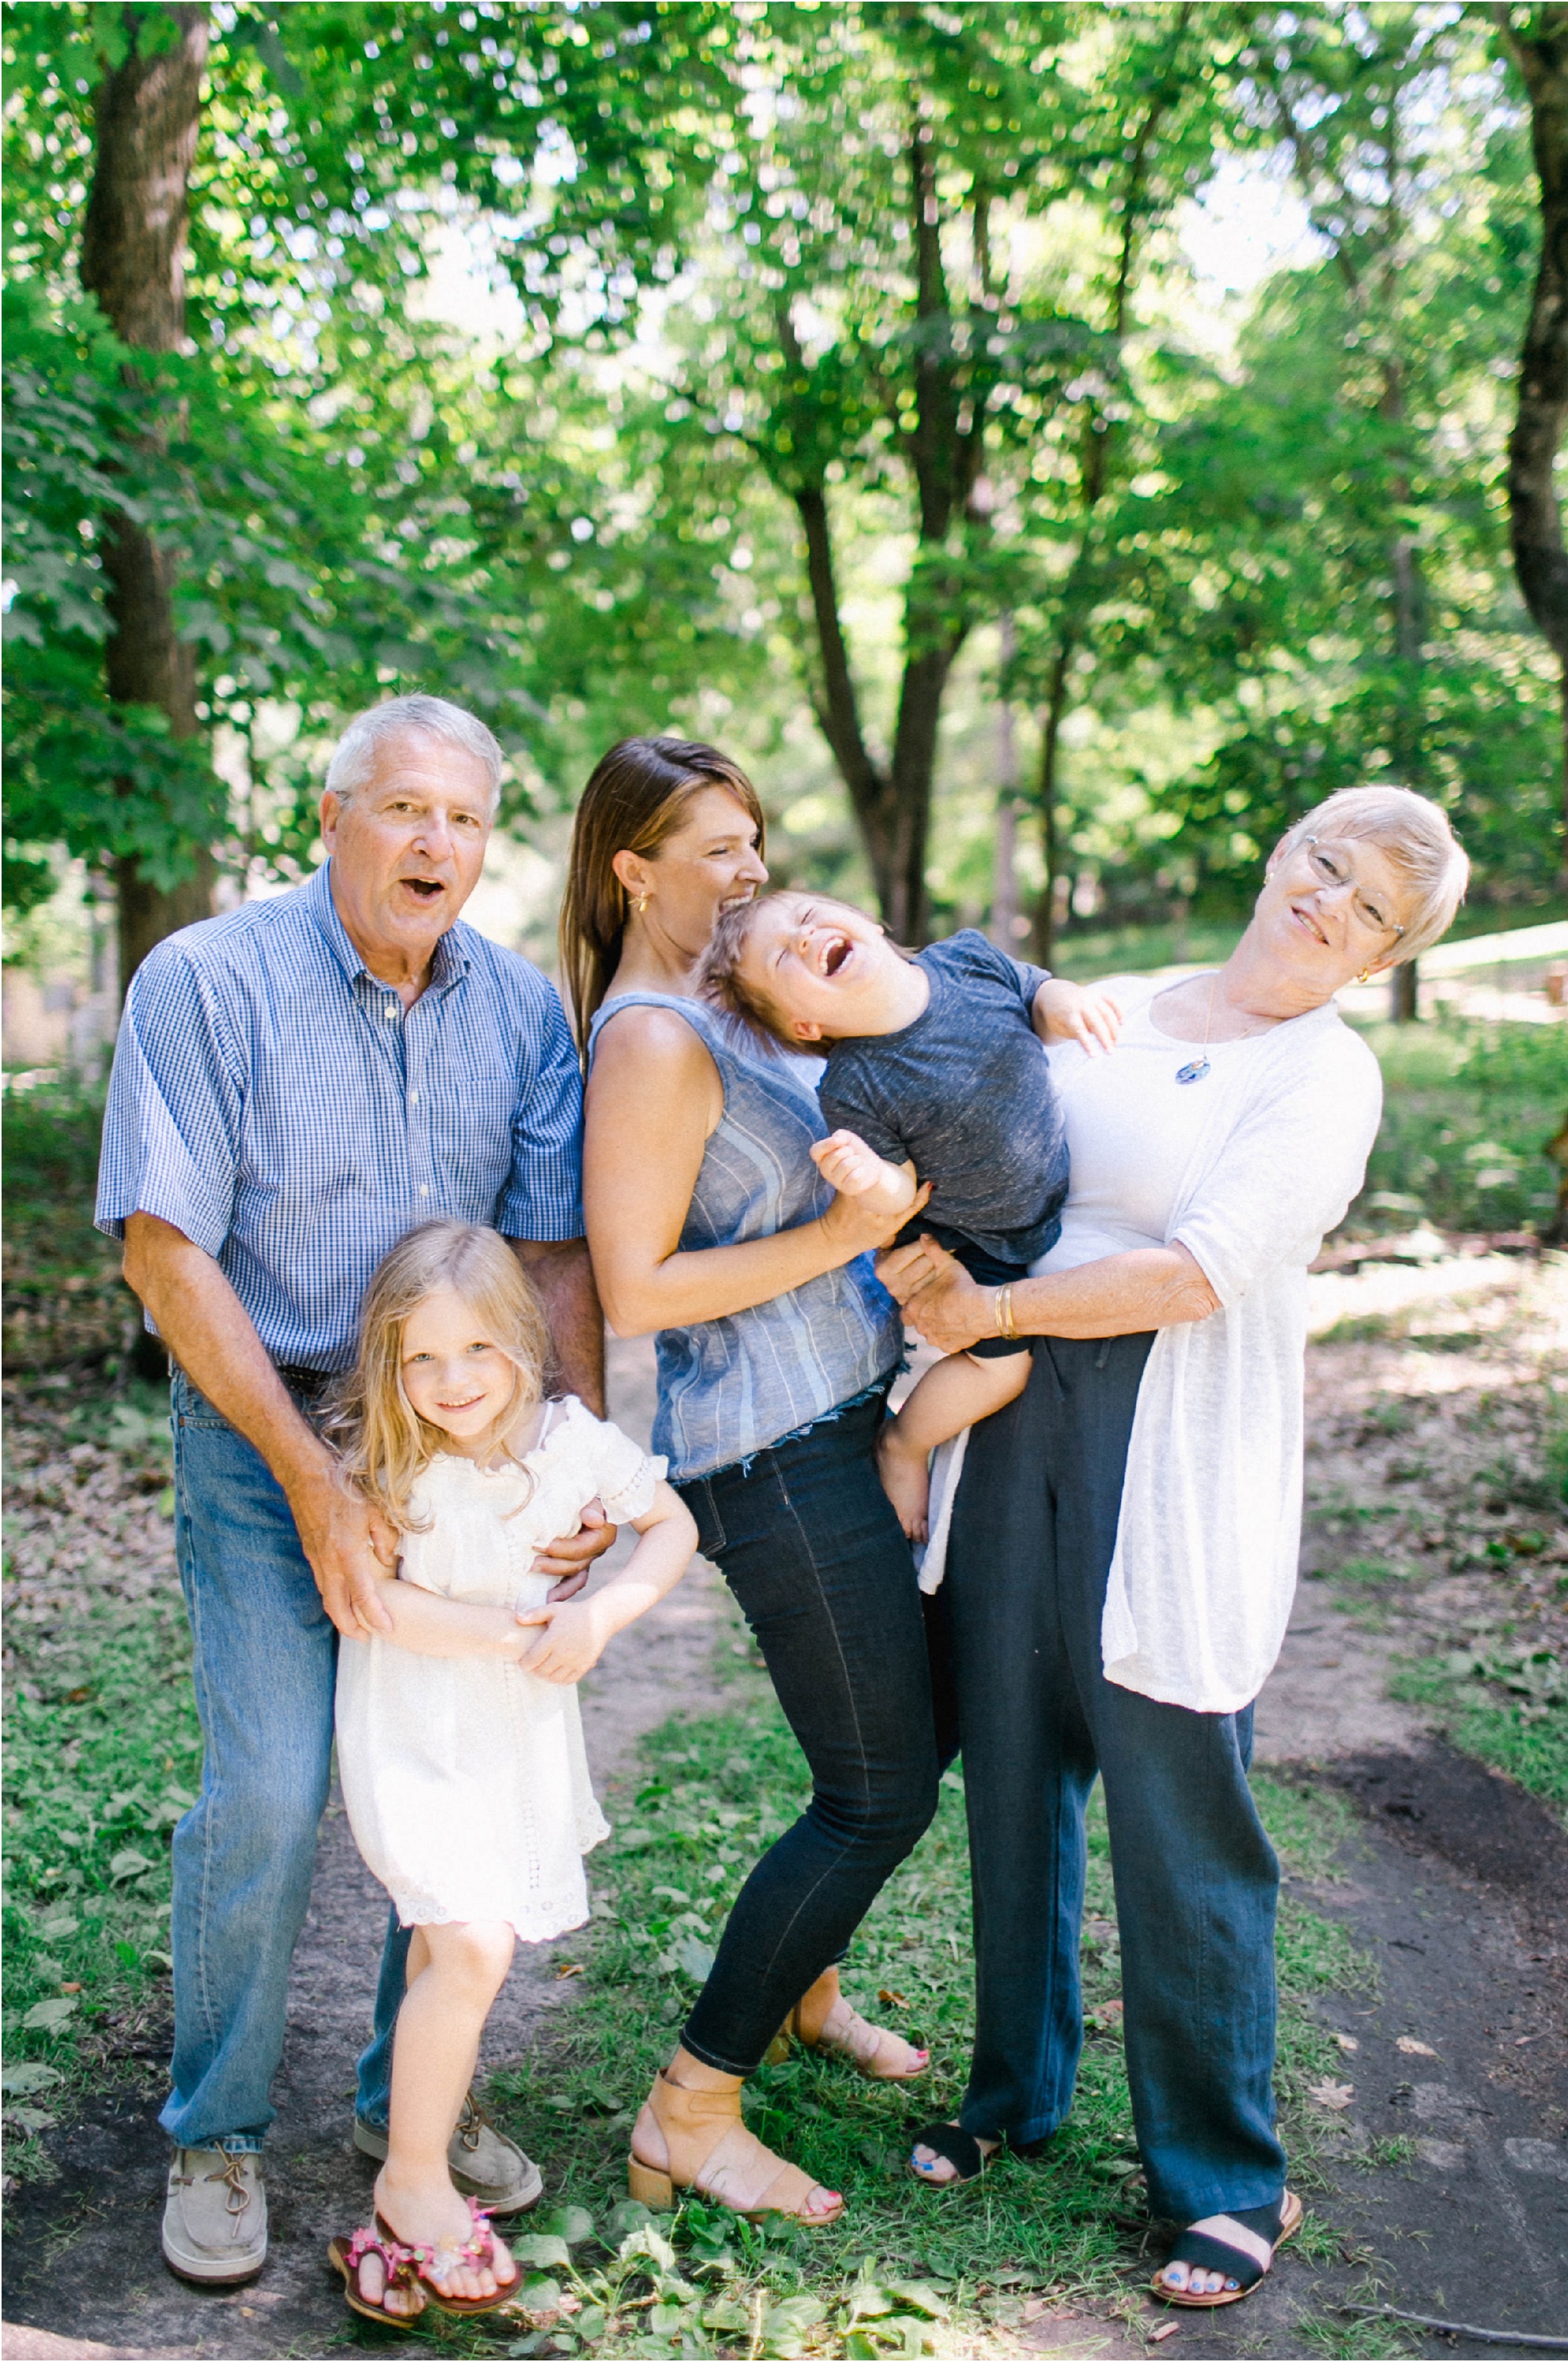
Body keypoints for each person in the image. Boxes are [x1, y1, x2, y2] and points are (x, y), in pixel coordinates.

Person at [880, 786, 1469, 2310]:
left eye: (1372, 906)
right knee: (1012, 1768)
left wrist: (996, 1305)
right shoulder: (1117, 1005)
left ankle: (1222, 2174)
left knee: (1177, 1797)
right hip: (1006, 1413)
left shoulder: (1325, 1077)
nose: (1329, 899)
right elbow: (981, 1143)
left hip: (1166, 1426)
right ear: (1283, 854)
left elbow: (1199, 1271)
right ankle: (1013, 2089)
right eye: (1324, 861)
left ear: (1380, 955)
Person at [95, 695, 612, 2288]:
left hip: (461, 1454)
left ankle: (420, 2106)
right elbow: (162, 1247)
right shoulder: (209, 979)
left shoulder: (523, 1009)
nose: (434, 843)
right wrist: (317, 1481)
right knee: (268, 1785)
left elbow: (546, 1246)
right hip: (267, 1439)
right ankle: (221, 2124)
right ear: (332, 816)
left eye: (462, 819)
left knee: (451, 1779)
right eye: (403, 809)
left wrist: (569, 1450)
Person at [566, 737, 937, 2226]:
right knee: (879, 1789)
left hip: (850, 1416)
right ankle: (690, 2105)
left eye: (755, 837)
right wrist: (853, 1239)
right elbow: (638, 1287)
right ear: (632, 870)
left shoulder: (740, 1001)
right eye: (711, 847)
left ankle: (809, 1987)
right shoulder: (655, 1038)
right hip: (771, 1456)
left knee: (877, 1745)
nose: (750, 869)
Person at [325, 1221, 696, 2321]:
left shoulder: (569, 1440)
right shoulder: (389, 1453)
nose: (452, 1380)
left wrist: (607, 1611)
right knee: (474, 1945)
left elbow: (666, 1524)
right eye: (422, 1356)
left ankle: (402, 2195)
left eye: (477, 1349)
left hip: (513, 1746)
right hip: (413, 1733)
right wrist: (512, 1631)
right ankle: (414, 2181)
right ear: (391, 1365)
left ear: (524, 1342)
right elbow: (380, 1602)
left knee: (462, 1953)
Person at [700, 890, 1120, 1539]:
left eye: (810, 919)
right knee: (1003, 1369)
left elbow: (1032, 990)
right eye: (784, 956)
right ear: (806, 1026)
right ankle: (903, 1445)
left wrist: (1064, 1000)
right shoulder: (855, 1085)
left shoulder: (967, 960)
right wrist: (868, 1179)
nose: (808, 939)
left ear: (865, 921)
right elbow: (904, 1196)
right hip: (970, 1242)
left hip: (1056, 1194)